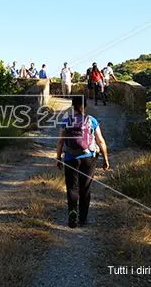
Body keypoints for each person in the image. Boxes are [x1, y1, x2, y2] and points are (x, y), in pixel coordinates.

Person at [56, 96, 110, 228]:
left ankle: (72, 211)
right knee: (85, 188)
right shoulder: (91, 120)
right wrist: (105, 159)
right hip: (88, 158)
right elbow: (101, 141)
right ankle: (83, 219)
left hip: (70, 158)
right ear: (85, 105)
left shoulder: (66, 120)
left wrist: (58, 157)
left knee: (72, 187)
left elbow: (60, 141)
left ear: (72, 105)